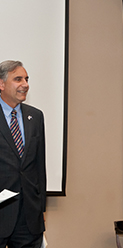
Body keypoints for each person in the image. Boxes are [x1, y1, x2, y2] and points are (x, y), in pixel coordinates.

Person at [0, 60, 46, 248]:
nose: (25, 84)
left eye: (26, 79)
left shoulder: (35, 117)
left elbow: (39, 166)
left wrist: (41, 209)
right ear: (1, 84)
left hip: (29, 218)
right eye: (18, 79)